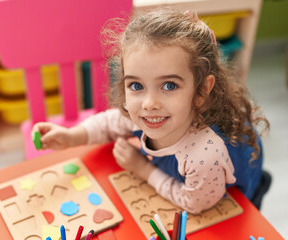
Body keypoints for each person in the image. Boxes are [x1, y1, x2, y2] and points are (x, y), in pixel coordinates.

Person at [32, 9, 269, 214]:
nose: (149, 103)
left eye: (169, 86)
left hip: (235, 192)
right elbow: (111, 122)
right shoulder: (146, 114)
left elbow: (194, 203)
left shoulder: (204, 154)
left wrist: (143, 169)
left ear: (201, 91)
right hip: (201, 182)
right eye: (136, 86)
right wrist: (72, 136)